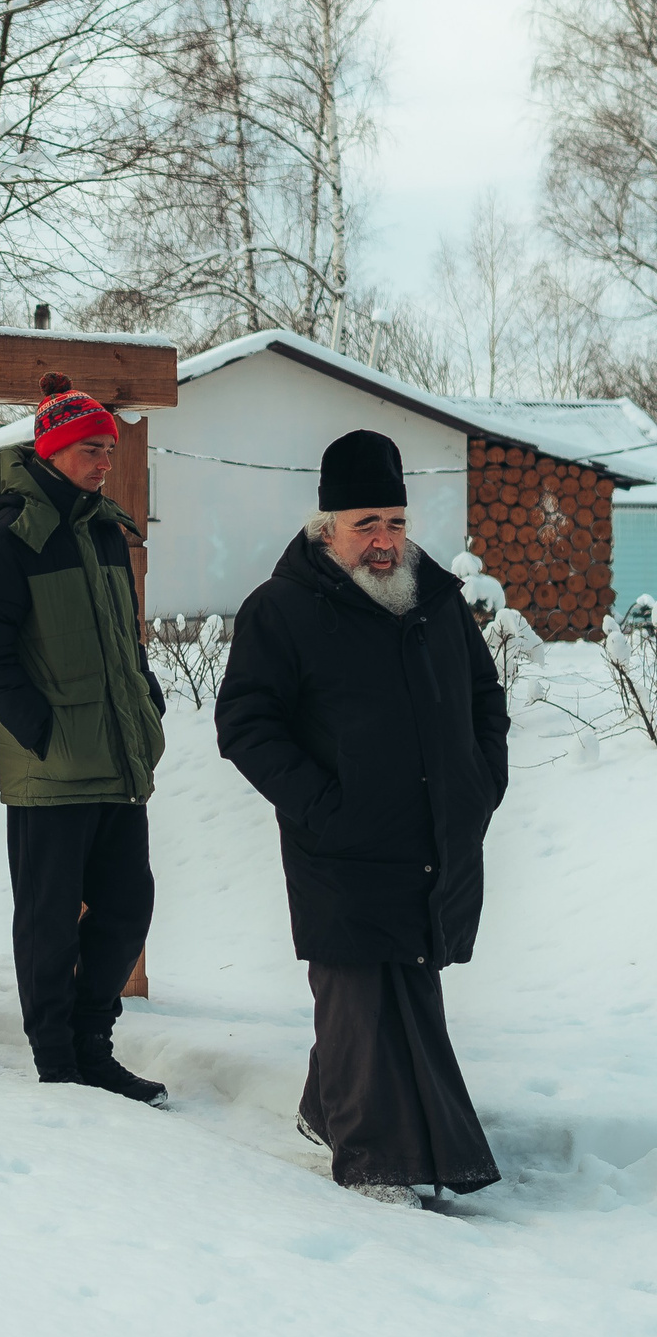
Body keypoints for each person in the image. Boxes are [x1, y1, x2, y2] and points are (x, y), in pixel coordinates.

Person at [216, 430, 507, 1205]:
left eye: (396, 523)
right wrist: (320, 805)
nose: (384, 541)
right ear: (327, 526)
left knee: (402, 989)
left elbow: (485, 700)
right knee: (357, 990)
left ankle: (330, 1107)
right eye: (366, 524)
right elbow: (245, 722)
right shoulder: (281, 608)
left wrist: (480, 784)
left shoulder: (434, 600)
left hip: (429, 838)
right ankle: (377, 1156)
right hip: (338, 844)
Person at [0, 373, 168, 1101]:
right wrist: (42, 731)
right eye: (90, 447)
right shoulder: (7, 539)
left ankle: (92, 1044)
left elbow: (125, 641)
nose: (104, 459)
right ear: (51, 451)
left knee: (128, 905)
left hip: (116, 759)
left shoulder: (108, 529)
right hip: (50, 771)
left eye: (109, 447)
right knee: (47, 920)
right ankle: (55, 1058)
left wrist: (146, 697)